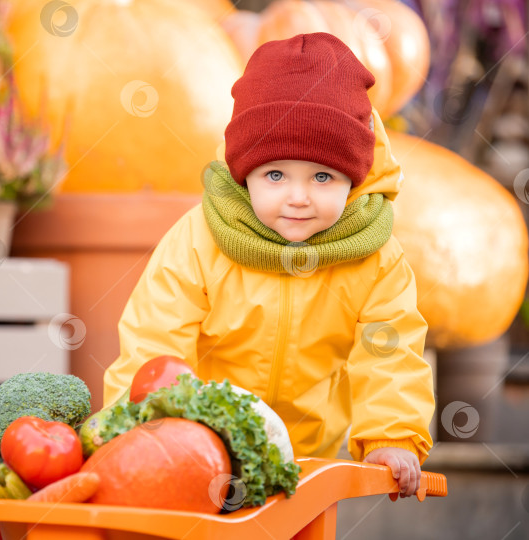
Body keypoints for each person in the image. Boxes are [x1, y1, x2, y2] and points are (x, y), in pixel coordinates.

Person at [102, 32, 434, 498]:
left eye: (322, 176)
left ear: (354, 179)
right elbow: (154, 344)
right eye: (275, 175)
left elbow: (390, 353)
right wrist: (143, 429)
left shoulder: (375, 257)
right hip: (198, 451)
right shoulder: (200, 239)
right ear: (245, 175)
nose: (298, 197)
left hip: (308, 462)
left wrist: (391, 436)